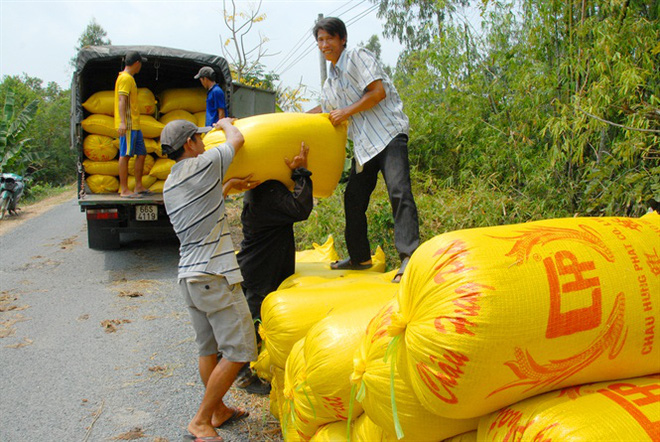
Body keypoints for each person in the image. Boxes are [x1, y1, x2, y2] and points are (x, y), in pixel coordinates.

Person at [161, 118, 258, 441]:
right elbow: (238, 139)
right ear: (189, 143)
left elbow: (202, 202)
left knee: (208, 350)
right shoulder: (205, 163)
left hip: (188, 277)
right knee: (240, 350)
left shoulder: (170, 182)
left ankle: (218, 411)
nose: (205, 143)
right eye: (200, 139)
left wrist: (229, 188)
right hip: (215, 274)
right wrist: (226, 123)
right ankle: (201, 420)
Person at [310, 17, 420, 282]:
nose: (324, 45)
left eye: (329, 39)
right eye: (320, 40)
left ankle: (410, 258)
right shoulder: (330, 83)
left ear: (342, 39)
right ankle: (360, 258)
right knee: (353, 198)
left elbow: (377, 92)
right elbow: (324, 112)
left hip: (389, 133)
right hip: (365, 146)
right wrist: (290, 119)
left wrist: (346, 111)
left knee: (398, 191)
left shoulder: (357, 56)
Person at [224, 142, 314, 394]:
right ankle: (240, 373)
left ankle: (239, 365)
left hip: (257, 266)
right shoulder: (268, 189)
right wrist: (302, 172)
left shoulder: (259, 188)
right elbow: (301, 208)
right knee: (251, 323)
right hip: (261, 270)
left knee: (252, 320)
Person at [114, 51, 151, 198]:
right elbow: (121, 100)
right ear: (137, 63)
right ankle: (124, 189)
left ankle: (138, 186)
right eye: (141, 63)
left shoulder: (129, 78)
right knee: (125, 155)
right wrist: (123, 122)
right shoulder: (125, 79)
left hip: (135, 125)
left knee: (141, 154)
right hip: (128, 125)